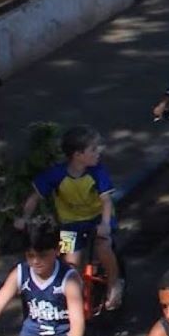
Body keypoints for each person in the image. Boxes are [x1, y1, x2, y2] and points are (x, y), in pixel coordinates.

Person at [22, 125, 125, 311]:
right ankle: (74, 300)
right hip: (70, 225)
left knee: (103, 245)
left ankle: (113, 283)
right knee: (70, 263)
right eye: (93, 149)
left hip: (98, 219)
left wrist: (104, 223)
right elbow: (34, 197)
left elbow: (106, 202)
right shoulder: (56, 174)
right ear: (78, 155)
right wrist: (24, 218)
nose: (98, 152)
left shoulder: (97, 172)